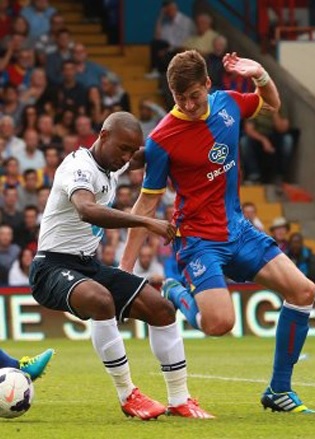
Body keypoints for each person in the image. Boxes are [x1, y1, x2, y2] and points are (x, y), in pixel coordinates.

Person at [120, 50, 315, 414]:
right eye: (180, 99)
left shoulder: (227, 104)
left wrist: (259, 74)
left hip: (239, 230)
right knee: (220, 324)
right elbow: (145, 207)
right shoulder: (163, 139)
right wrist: (124, 271)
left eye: (195, 95)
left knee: (304, 292)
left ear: (208, 84)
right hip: (198, 241)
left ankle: (279, 390)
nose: (190, 105)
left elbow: (272, 103)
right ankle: (177, 291)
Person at [29, 111, 212, 420]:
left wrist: (187, 127)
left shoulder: (114, 159)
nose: (126, 157)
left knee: (162, 310)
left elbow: (147, 153)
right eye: (122, 149)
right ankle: (128, 395)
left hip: (87, 265)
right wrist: (144, 220)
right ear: (102, 136)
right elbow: (87, 210)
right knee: (101, 301)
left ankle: (180, 399)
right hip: (50, 268)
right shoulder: (78, 167)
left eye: (130, 150)